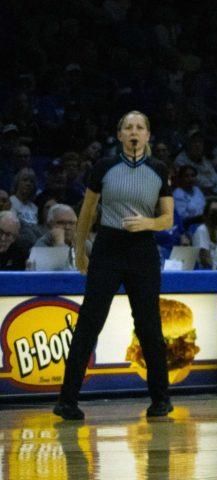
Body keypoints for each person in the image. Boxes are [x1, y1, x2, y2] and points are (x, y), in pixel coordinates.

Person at [54, 111, 175, 421]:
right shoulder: (104, 167)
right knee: (88, 324)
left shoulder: (159, 170)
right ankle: (67, 401)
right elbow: (87, 212)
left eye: (140, 127)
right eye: (128, 127)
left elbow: (168, 219)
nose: (134, 132)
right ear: (120, 135)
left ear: (148, 135)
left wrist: (146, 222)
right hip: (108, 248)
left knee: (149, 326)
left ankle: (161, 400)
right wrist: (80, 250)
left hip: (142, 250)